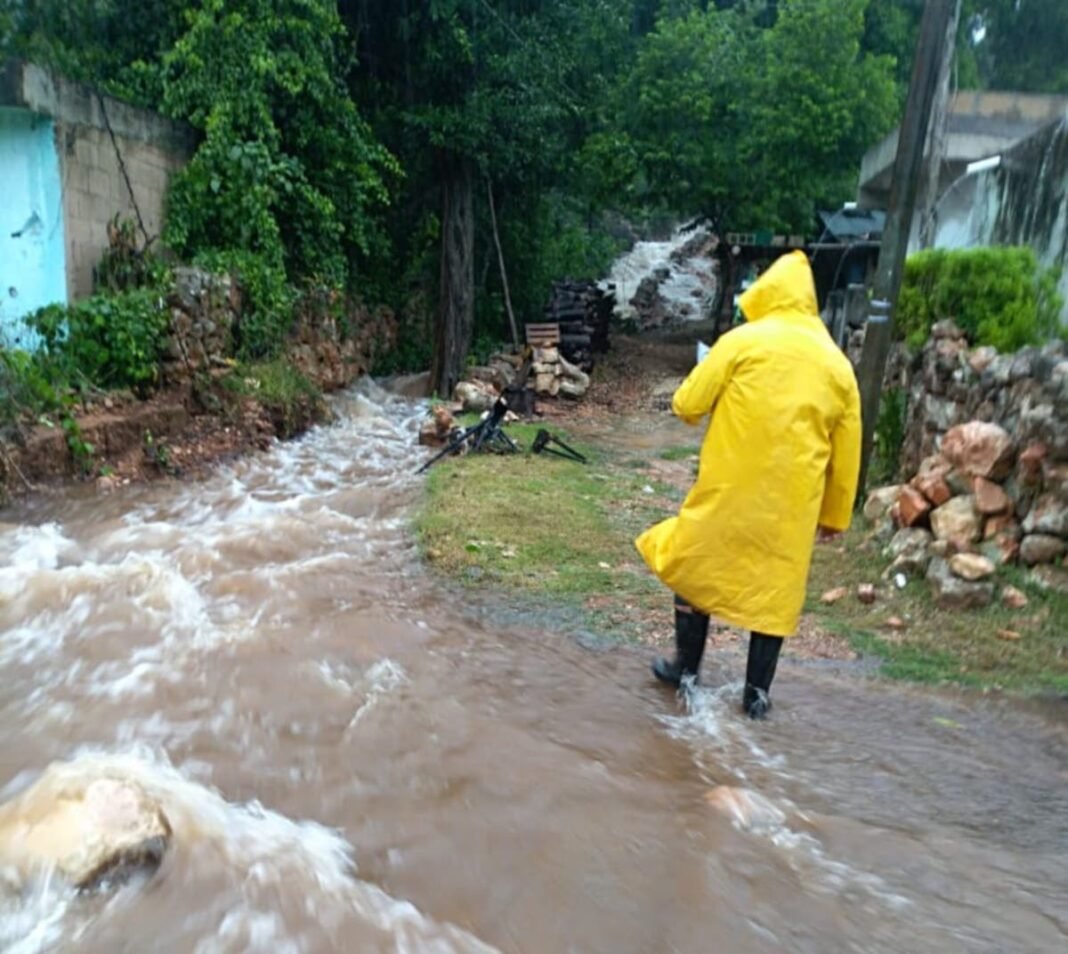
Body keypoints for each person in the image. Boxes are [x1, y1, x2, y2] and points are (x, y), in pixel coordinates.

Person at [635, 250, 861, 719]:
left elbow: (687, 404)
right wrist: (835, 517)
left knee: (694, 569)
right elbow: (847, 454)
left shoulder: (741, 342)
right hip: (792, 507)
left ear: (768, 292)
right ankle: (756, 696)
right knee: (775, 593)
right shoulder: (839, 367)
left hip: (728, 494)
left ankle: (685, 670)